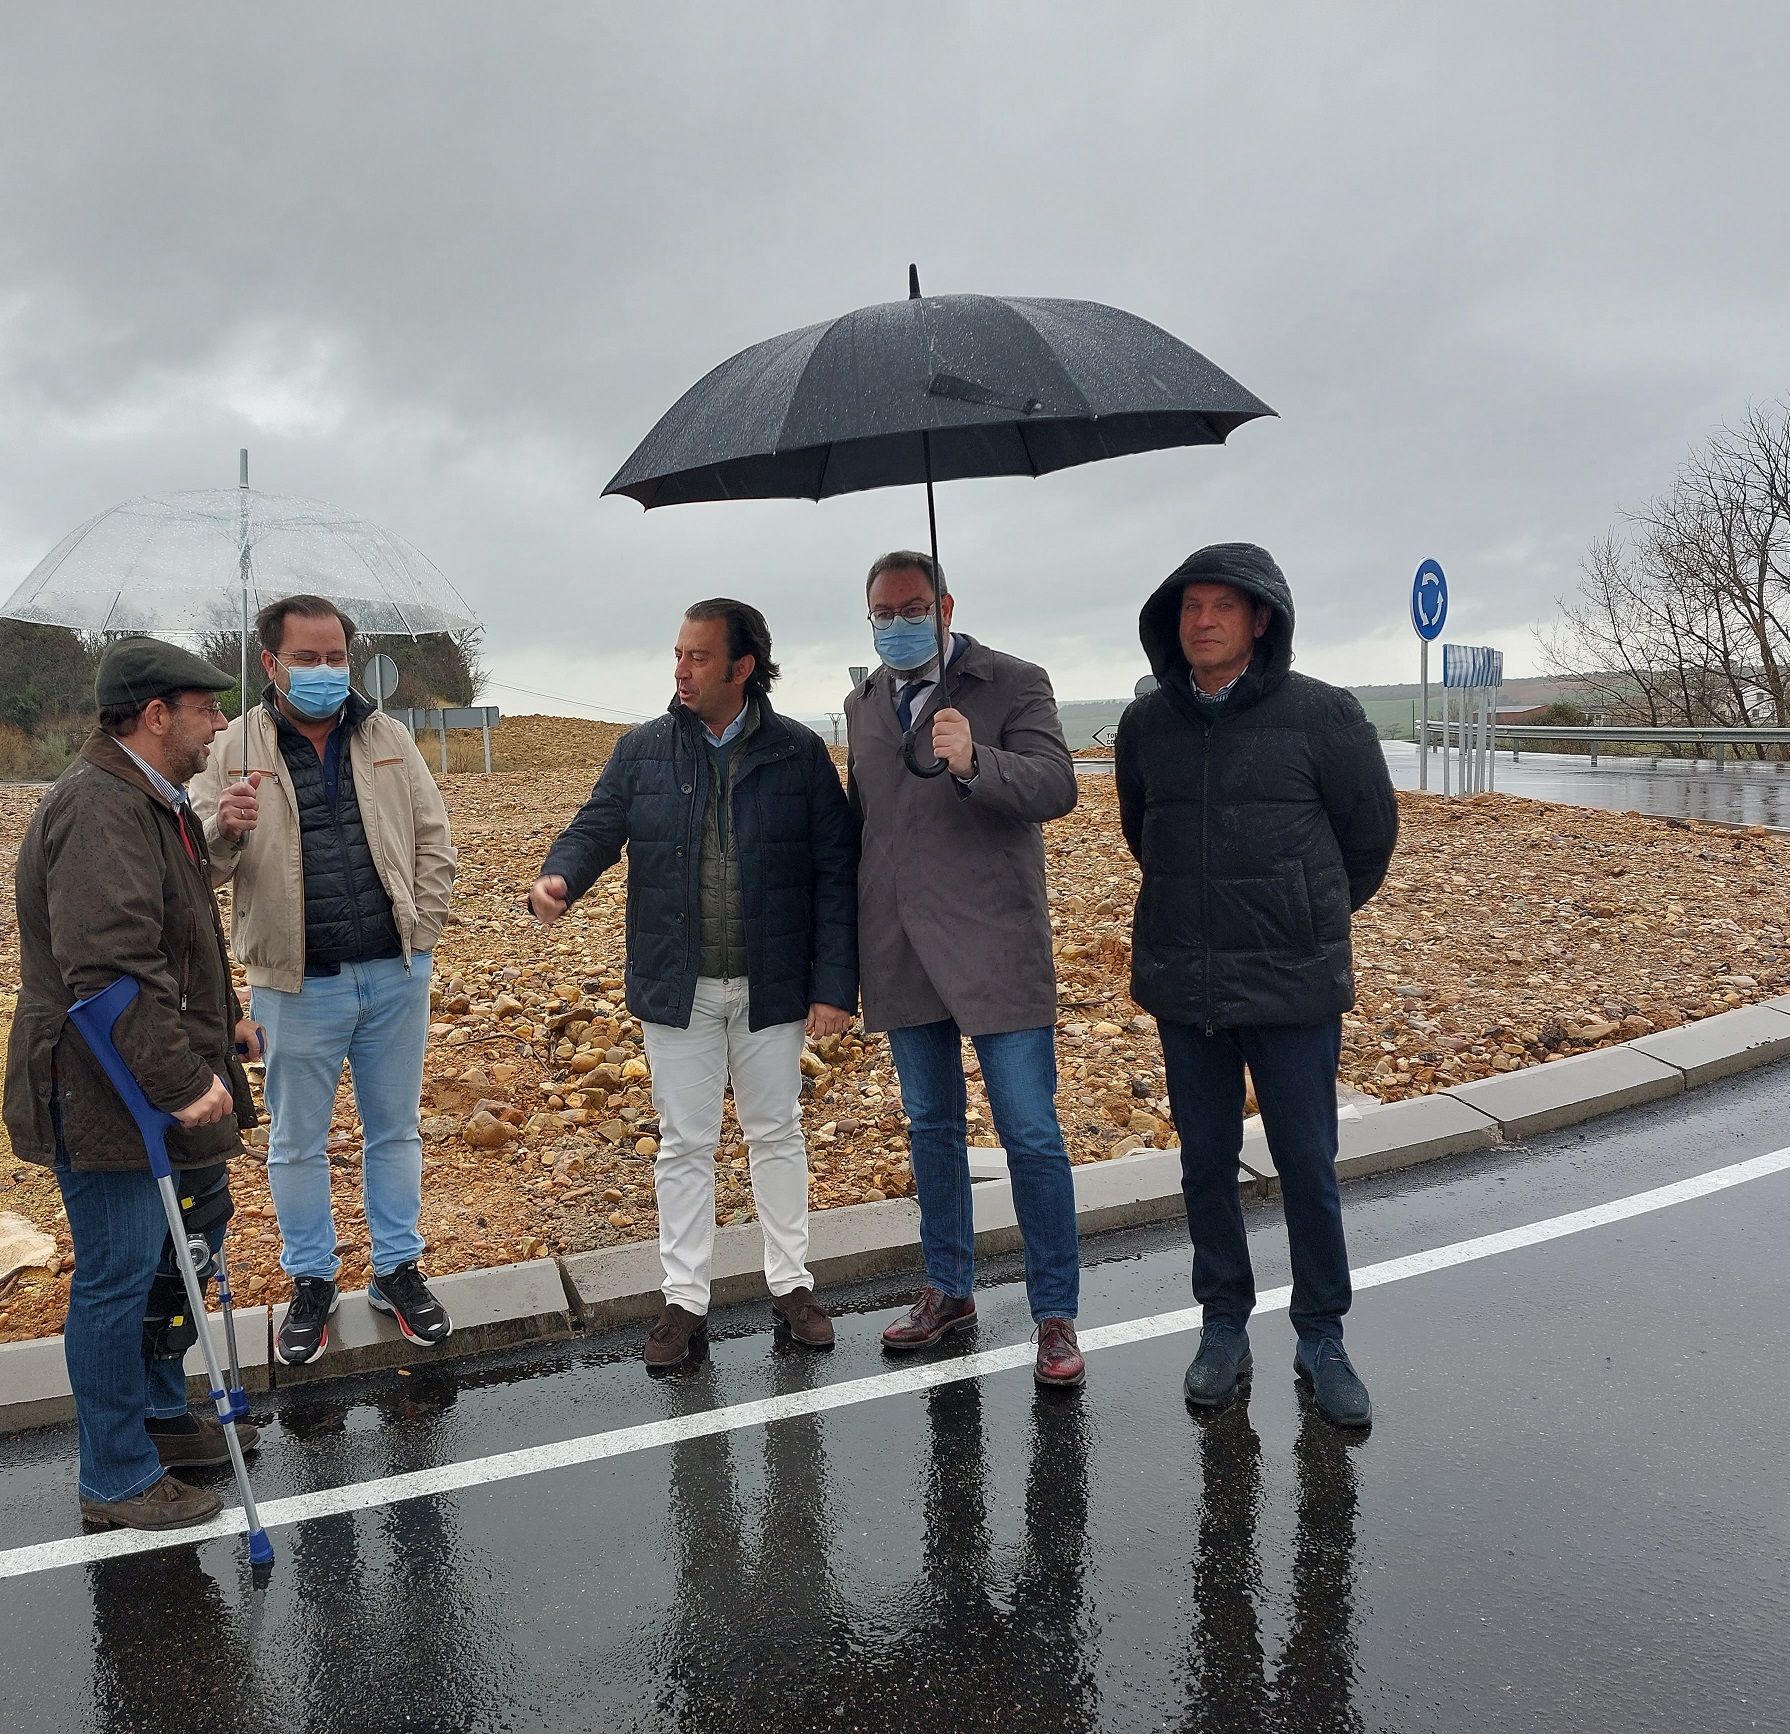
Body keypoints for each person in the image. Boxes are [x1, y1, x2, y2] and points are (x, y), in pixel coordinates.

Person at [530, 599, 857, 1369]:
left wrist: (834, 984)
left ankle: (792, 1286)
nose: (681, 670)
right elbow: (596, 826)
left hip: (774, 984)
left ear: (743, 667)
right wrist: (560, 877)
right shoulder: (642, 750)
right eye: (678, 654)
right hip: (678, 986)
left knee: (776, 1134)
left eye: (698, 657)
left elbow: (837, 872)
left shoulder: (800, 753)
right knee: (684, 1144)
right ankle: (684, 1300)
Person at [1113, 543, 1398, 1427]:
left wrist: (1303, 915)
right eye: (1190, 607)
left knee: (1307, 1163)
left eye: (1223, 607)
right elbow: (1141, 833)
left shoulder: (1326, 716)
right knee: (1205, 1164)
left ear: (1260, 619)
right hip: (1187, 983)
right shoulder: (1146, 724)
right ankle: (1222, 1324)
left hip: (1292, 986)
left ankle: (1323, 1335)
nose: (1203, 622)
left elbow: (1369, 842)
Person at [4, 637, 265, 1532]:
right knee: (118, 1276)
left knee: (174, 1251)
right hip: (102, 1086)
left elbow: (177, 938)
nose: (220, 723)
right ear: (156, 716)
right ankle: (115, 1475)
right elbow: (111, 969)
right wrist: (182, 1081)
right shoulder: (99, 809)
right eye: (207, 709)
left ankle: (158, 1416)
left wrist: (225, 1021)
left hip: (138, 1071)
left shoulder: (152, 799)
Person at [190, 594, 458, 1365]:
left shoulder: (387, 736)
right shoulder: (231, 747)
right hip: (294, 986)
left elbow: (433, 840)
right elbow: (196, 869)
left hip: (394, 975)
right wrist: (222, 829)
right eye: (306, 658)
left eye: (336, 656)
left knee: (394, 1131)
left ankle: (397, 1271)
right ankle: (312, 1281)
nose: (325, 670)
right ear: (270, 663)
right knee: (296, 1143)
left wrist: (422, 936)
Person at [844, 552, 1086, 1387]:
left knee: (1030, 1134)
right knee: (932, 1128)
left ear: (945, 608)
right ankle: (948, 1289)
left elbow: (1057, 786)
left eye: (911, 608)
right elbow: (863, 827)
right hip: (900, 948)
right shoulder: (864, 704)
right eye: (881, 613)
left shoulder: (1014, 683)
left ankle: (1055, 1313)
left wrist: (977, 760)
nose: (895, 624)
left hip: (995, 945)